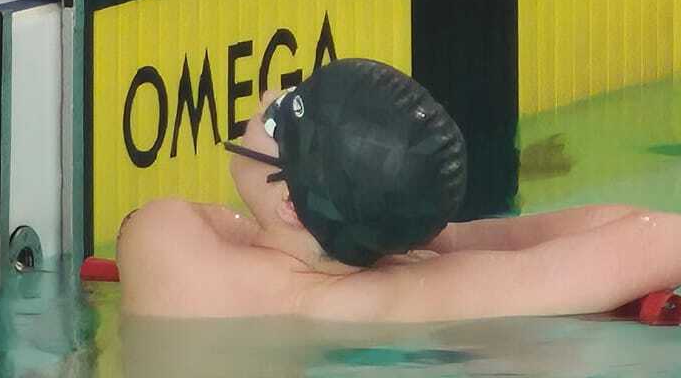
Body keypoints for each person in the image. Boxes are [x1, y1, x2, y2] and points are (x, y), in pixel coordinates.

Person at [119, 58, 681, 322]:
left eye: (278, 116)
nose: (265, 96)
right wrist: (428, 241)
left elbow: (159, 223)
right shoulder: (381, 297)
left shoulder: (162, 244)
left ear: (289, 202)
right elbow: (649, 240)